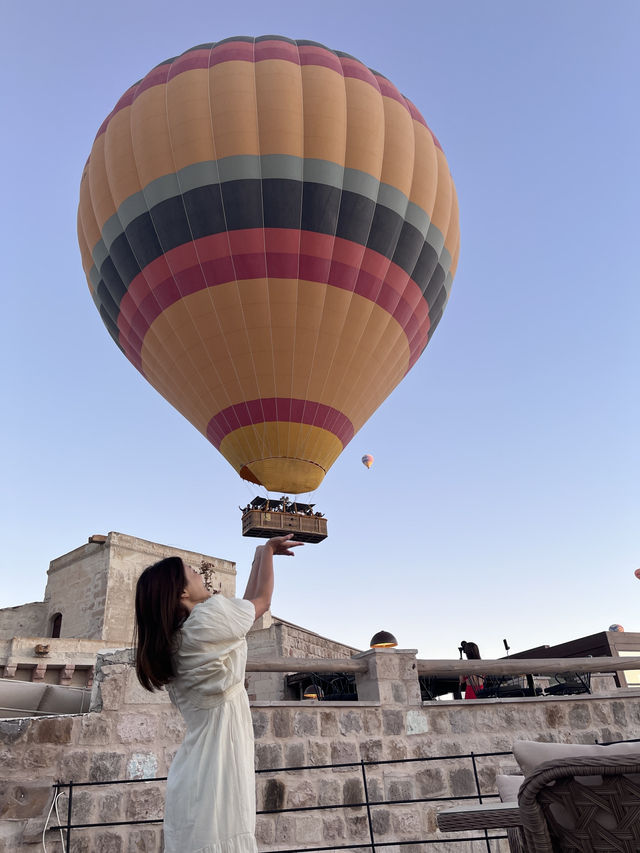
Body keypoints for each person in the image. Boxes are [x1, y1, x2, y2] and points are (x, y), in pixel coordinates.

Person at [134, 534, 303, 852]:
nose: (200, 574)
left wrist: (261, 555)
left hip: (197, 775)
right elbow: (261, 603)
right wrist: (267, 550)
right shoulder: (205, 623)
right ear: (182, 591)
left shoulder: (180, 641)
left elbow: (245, 613)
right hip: (217, 776)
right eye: (192, 571)